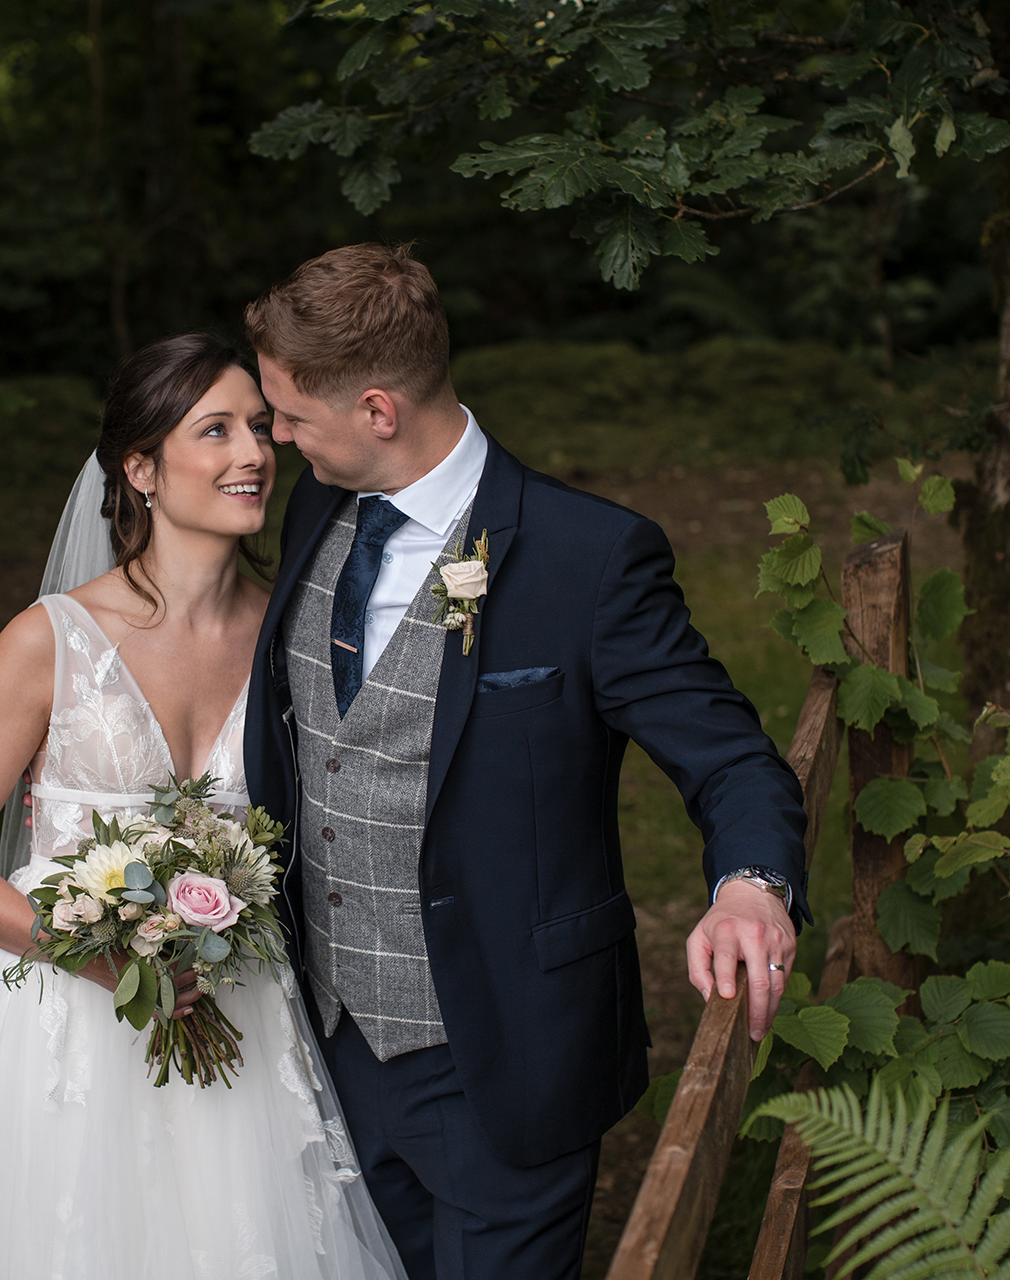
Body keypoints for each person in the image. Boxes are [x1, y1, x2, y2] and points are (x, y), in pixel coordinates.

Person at [242, 244, 810, 1280]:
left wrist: (750, 884)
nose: (273, 436)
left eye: (289, 413)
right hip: (326, 1042)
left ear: (378, 409)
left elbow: (731, 757)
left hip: (503, 1054)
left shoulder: (589, 557)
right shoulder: (319, 506)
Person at [0, 334, 407, 1279]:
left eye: (261, 426)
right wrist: (104, 959)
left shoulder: (291, 637)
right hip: (65, 1032)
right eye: (214, 430)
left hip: (237, 1005)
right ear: (141, 469)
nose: (252, 453)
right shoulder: (49, 642)